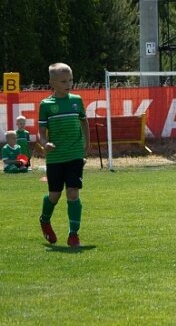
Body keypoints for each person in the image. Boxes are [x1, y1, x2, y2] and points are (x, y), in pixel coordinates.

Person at [38, 63, 89, 248]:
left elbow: (84, 122)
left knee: (73, 193)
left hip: (75, 154)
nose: (69, 84)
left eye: (71, 80)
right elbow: (41, 132)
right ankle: (45, 220)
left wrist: (86, 146)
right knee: (54, 195)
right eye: (63, 81)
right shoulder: (46, 105)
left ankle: (73, 234)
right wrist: (45, 144)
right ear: (52, 82)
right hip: (55, 157)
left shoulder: (77, 100)